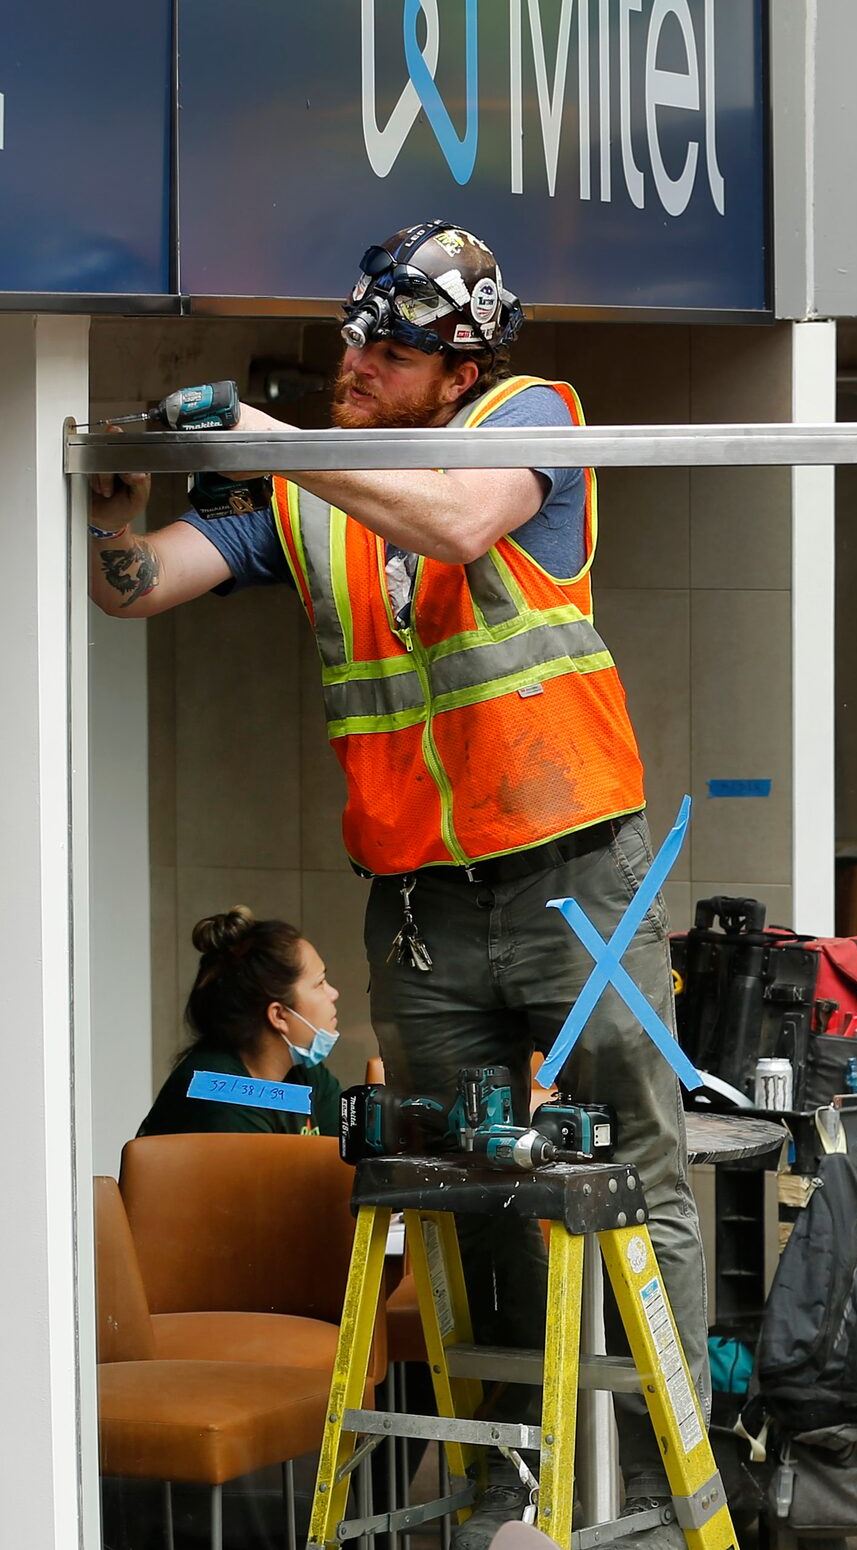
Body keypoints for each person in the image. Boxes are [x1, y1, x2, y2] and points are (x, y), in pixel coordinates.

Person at [83, 222, 694, 1550]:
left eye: (390, 342)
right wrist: (120, 504)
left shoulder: (532, 418)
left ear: (460, 361)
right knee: (459, 1186)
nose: (353, 357)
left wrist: (258, 427)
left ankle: (649, 1488)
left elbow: (462, 519)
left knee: (639, 1170)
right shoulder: (311, 498)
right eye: (352, 333)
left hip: (573, 874)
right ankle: (504, 1492)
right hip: (419, 902)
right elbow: (134, 588)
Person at [139, 907, 346, 1138]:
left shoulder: (304, 1075)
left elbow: (347, 1155)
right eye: (320, 984)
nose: (334, 993)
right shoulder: (218, 1093)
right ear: (278, 1015)